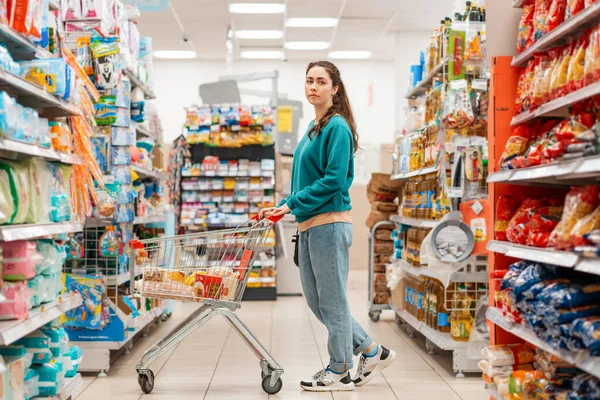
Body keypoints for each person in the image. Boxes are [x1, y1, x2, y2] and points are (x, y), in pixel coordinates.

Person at [259, 61, 396, 392]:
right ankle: (372, 351)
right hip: (309, 225)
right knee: (318, 302)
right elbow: (305, 178)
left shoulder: (337, 128)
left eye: (321, 81)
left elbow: (335, 180)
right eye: (309, 81)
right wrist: (285, 205)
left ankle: (340, 370)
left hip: (329, 225)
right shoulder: (312, 126)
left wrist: (292, 203)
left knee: (333, 303)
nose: (313, 87)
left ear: (335, 88)